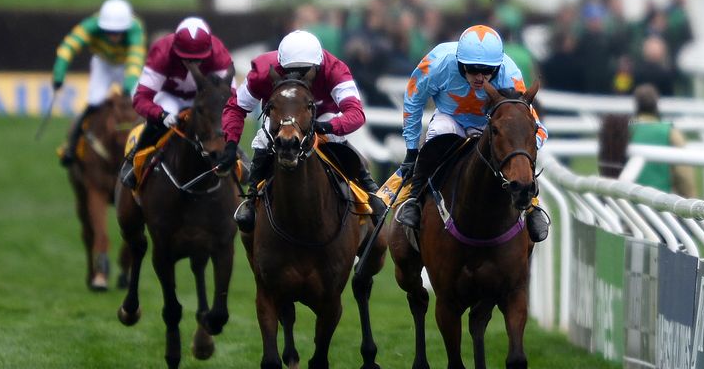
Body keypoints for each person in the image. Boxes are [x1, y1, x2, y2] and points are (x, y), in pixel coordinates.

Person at [216, 30, 385, 233]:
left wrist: (328, 127)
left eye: (305, 71)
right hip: (283, 115)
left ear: (318, 65)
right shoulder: (262, 71)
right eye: (289, 71)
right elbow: (236, 108)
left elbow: (356, 113)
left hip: (323, 116)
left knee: (334, 138)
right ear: (280, 65)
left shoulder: (335, 69)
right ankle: (251, 199)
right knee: (263, 139)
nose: (298, 76)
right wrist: (231, 144)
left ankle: (368, 188)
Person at [394, 24, 551, 242]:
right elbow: (414, 100)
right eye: (472, 68)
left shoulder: (509, 72)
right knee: (439, 131)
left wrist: (522, 147)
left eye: (487, 71)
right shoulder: (437, 64)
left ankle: (531, 205)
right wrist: (412, 150)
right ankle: (415, 200)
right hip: (450, 119)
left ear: (498, 67)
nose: (480, 77)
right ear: (460, 63)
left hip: (488, 125)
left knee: (513, 145)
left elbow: (523, 120)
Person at [119, 17, 235, 188]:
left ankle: (239, 159)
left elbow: (231, 98)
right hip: (170, 96)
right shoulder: (161, 52)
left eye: (198, 60)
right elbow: (140, 99)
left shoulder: (218, 53)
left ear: (209, 51)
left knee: (221, 117)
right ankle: (133, 160)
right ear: (175, 49)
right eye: (187, 59)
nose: (193, 65)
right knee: (159, 121)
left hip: (204, 97)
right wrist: (160, 115)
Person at [54, 0, 146, 166]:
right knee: (94, 101)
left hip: (126, 64)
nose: (113, 36)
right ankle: (70, 146)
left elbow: (135, 59)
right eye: (109, 31)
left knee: (139, 104)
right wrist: (59, 74)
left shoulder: (135, 28)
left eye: (118, 32)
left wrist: (127, 87)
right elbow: (68, 46)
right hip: (103, 64)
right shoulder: (90, 25)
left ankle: (149, 147)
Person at [629, 84, 696, 197]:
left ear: (636, 104)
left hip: (625, 204)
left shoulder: (623, 132)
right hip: (660, 207)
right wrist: (690, 200)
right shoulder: (670, 132)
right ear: (656, 103)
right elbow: (683, 175)